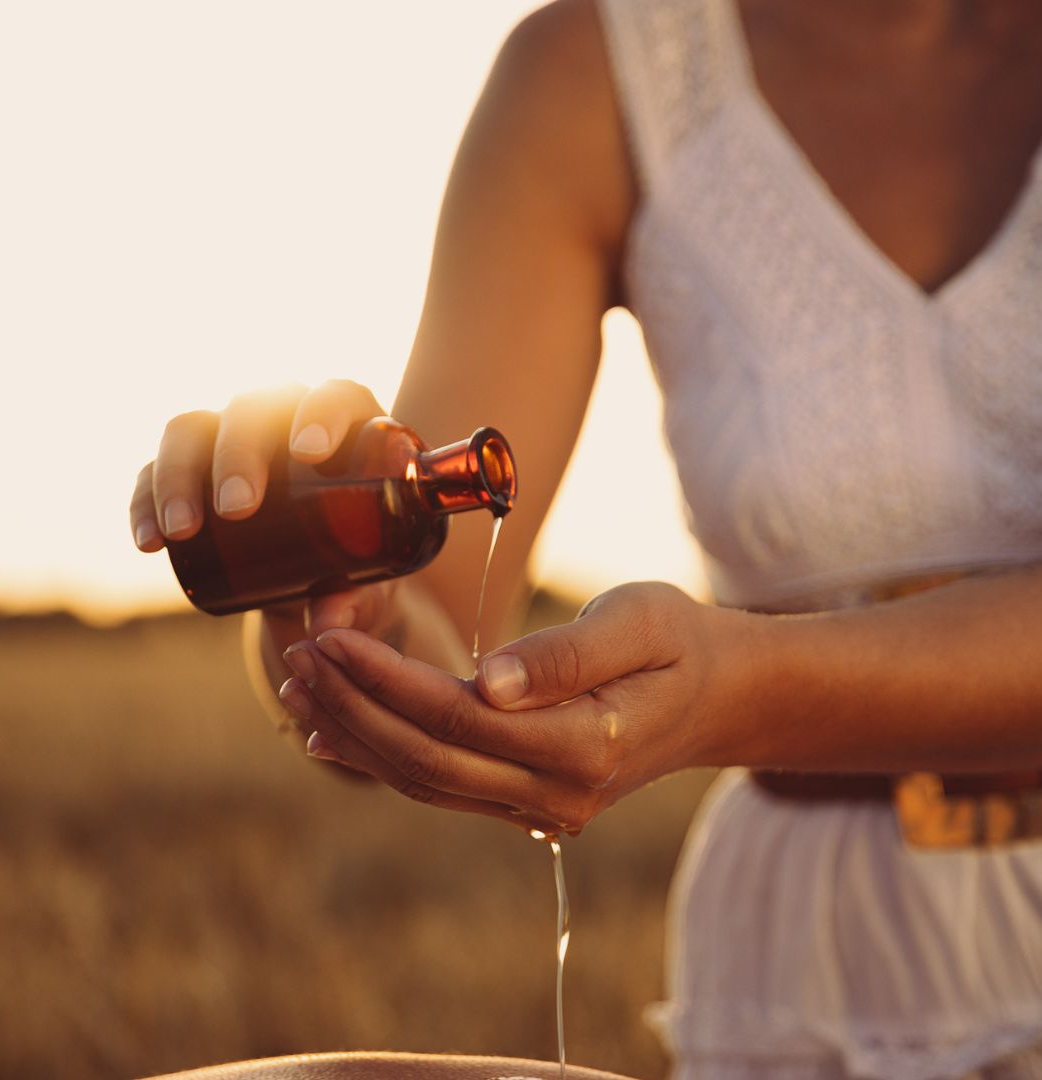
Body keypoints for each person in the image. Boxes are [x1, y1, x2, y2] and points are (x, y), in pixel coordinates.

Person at [130, 0, 1042, 1075]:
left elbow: (728, 683)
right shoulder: (594, 71)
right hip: (807, 963)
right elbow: (433, 606)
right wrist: (332, 600)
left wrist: (736, 690)